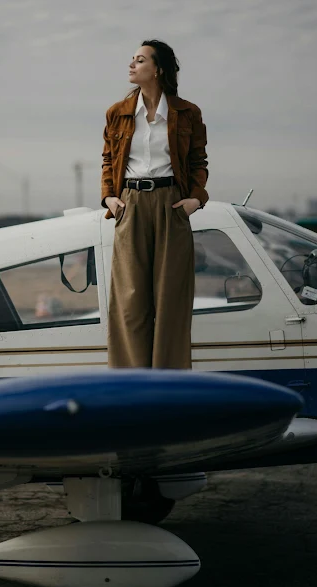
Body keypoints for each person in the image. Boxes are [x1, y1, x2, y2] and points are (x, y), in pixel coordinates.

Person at [101, 39, 208, 369]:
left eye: (140, 60)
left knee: (170, 300)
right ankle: (131, 382)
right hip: (130, 204)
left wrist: (195, 199)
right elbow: (108, 159)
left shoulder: (187, 113)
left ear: (158, 69)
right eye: (132, 59)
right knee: (130, 302)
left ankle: (171, 382)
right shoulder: (117, 112)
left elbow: (198, 161)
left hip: (171, 204)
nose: (132, 65)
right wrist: (109, 197)